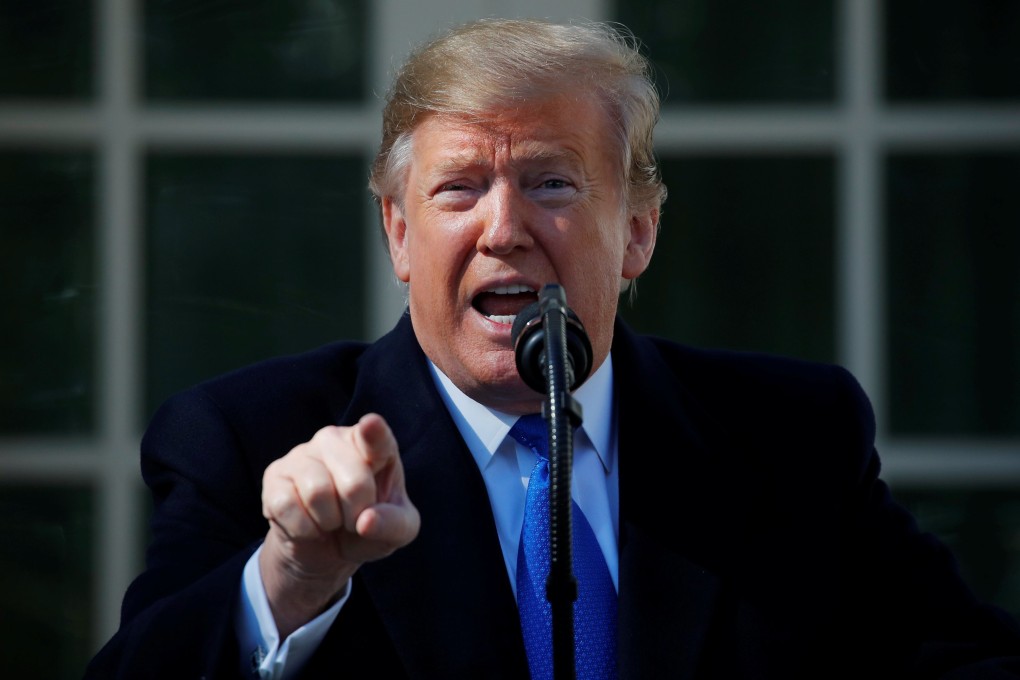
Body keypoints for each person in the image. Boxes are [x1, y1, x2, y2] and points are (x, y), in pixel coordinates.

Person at [84, 17, 1020, 680]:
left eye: (553, 183)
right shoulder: (248, 438)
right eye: (458, 190)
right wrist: (292, 578)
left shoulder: (789, 436)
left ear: (639, 232)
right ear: (398, 236)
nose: (503, 229)